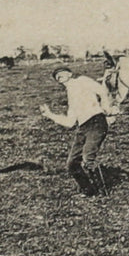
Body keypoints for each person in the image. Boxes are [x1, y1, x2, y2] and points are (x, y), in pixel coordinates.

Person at [41, 65, 112, 196]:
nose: (59, 76)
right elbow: (70, 122)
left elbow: (102, 91)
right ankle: (89, 191)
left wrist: (106, 107)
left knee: (88, 158)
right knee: (71, 163)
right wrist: (49, 115)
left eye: (62, 73)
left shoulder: (82, 80)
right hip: (83, 127)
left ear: (69, 74)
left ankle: (103, 192)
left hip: (96, 122)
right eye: (57, 77)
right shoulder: (70, 96)